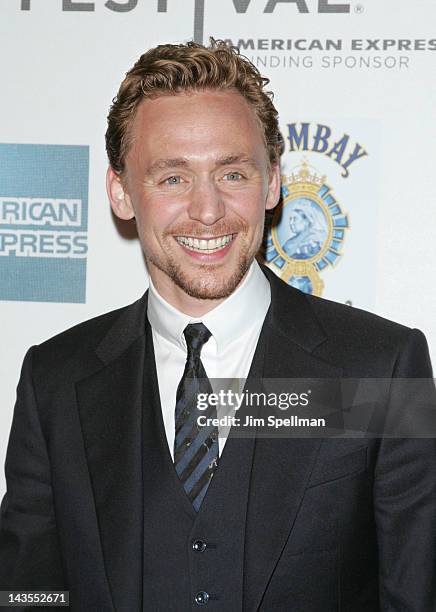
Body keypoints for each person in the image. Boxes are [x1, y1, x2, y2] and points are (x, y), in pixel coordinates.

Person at [0, 39, 435, 612]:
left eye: (232, 173)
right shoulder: (55, 378)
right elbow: (29, 593)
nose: (208, 211)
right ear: (121, 192)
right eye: (173, 178)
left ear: (273, 181)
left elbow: (415, 594)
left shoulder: (382, 367)